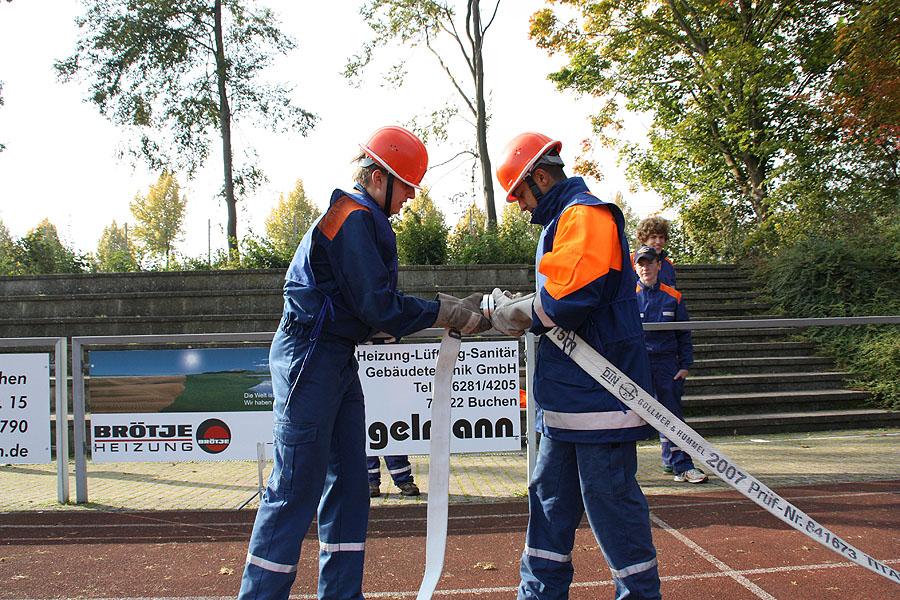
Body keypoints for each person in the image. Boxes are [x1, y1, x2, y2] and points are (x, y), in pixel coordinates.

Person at [238, 125, 491, 600]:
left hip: (332, 356)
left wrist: (439, 309)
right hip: (311, 356)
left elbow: (371, 307)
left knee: (350, 482)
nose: (410, 199)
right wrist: (442, 310)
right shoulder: (354, 219)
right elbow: (378, 307)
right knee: (294, 488)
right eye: (407, 188)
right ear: (379, 177)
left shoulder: (358, 218)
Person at [491, 132, 661, 600]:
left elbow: (568, 299)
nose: (521, 207)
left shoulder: (585, 214)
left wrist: (518, 311)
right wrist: (524, 307)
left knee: (612, 508)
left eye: (520, 195)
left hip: (598, 399)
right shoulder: (563, 221)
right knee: (548, 504)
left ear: (540, 178)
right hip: (565, 399)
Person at [634, 245, 708, 483]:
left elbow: (683, 334)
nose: (646, 268)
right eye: (641, 263)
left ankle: (682, 466)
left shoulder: (673, 296)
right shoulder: (627, 297)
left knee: (672, 417)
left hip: (666, 364)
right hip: (637, 365)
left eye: (650, 263)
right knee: (626, 417)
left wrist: (685, 364)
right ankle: (622, 473)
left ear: (658, 265)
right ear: (635, 268)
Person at [635, 216, 677, 287]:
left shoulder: (668, 264)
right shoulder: (632, 260)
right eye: (653, 237)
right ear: (644, 239)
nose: (658, 242)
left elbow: (671, 290)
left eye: (661, 237)